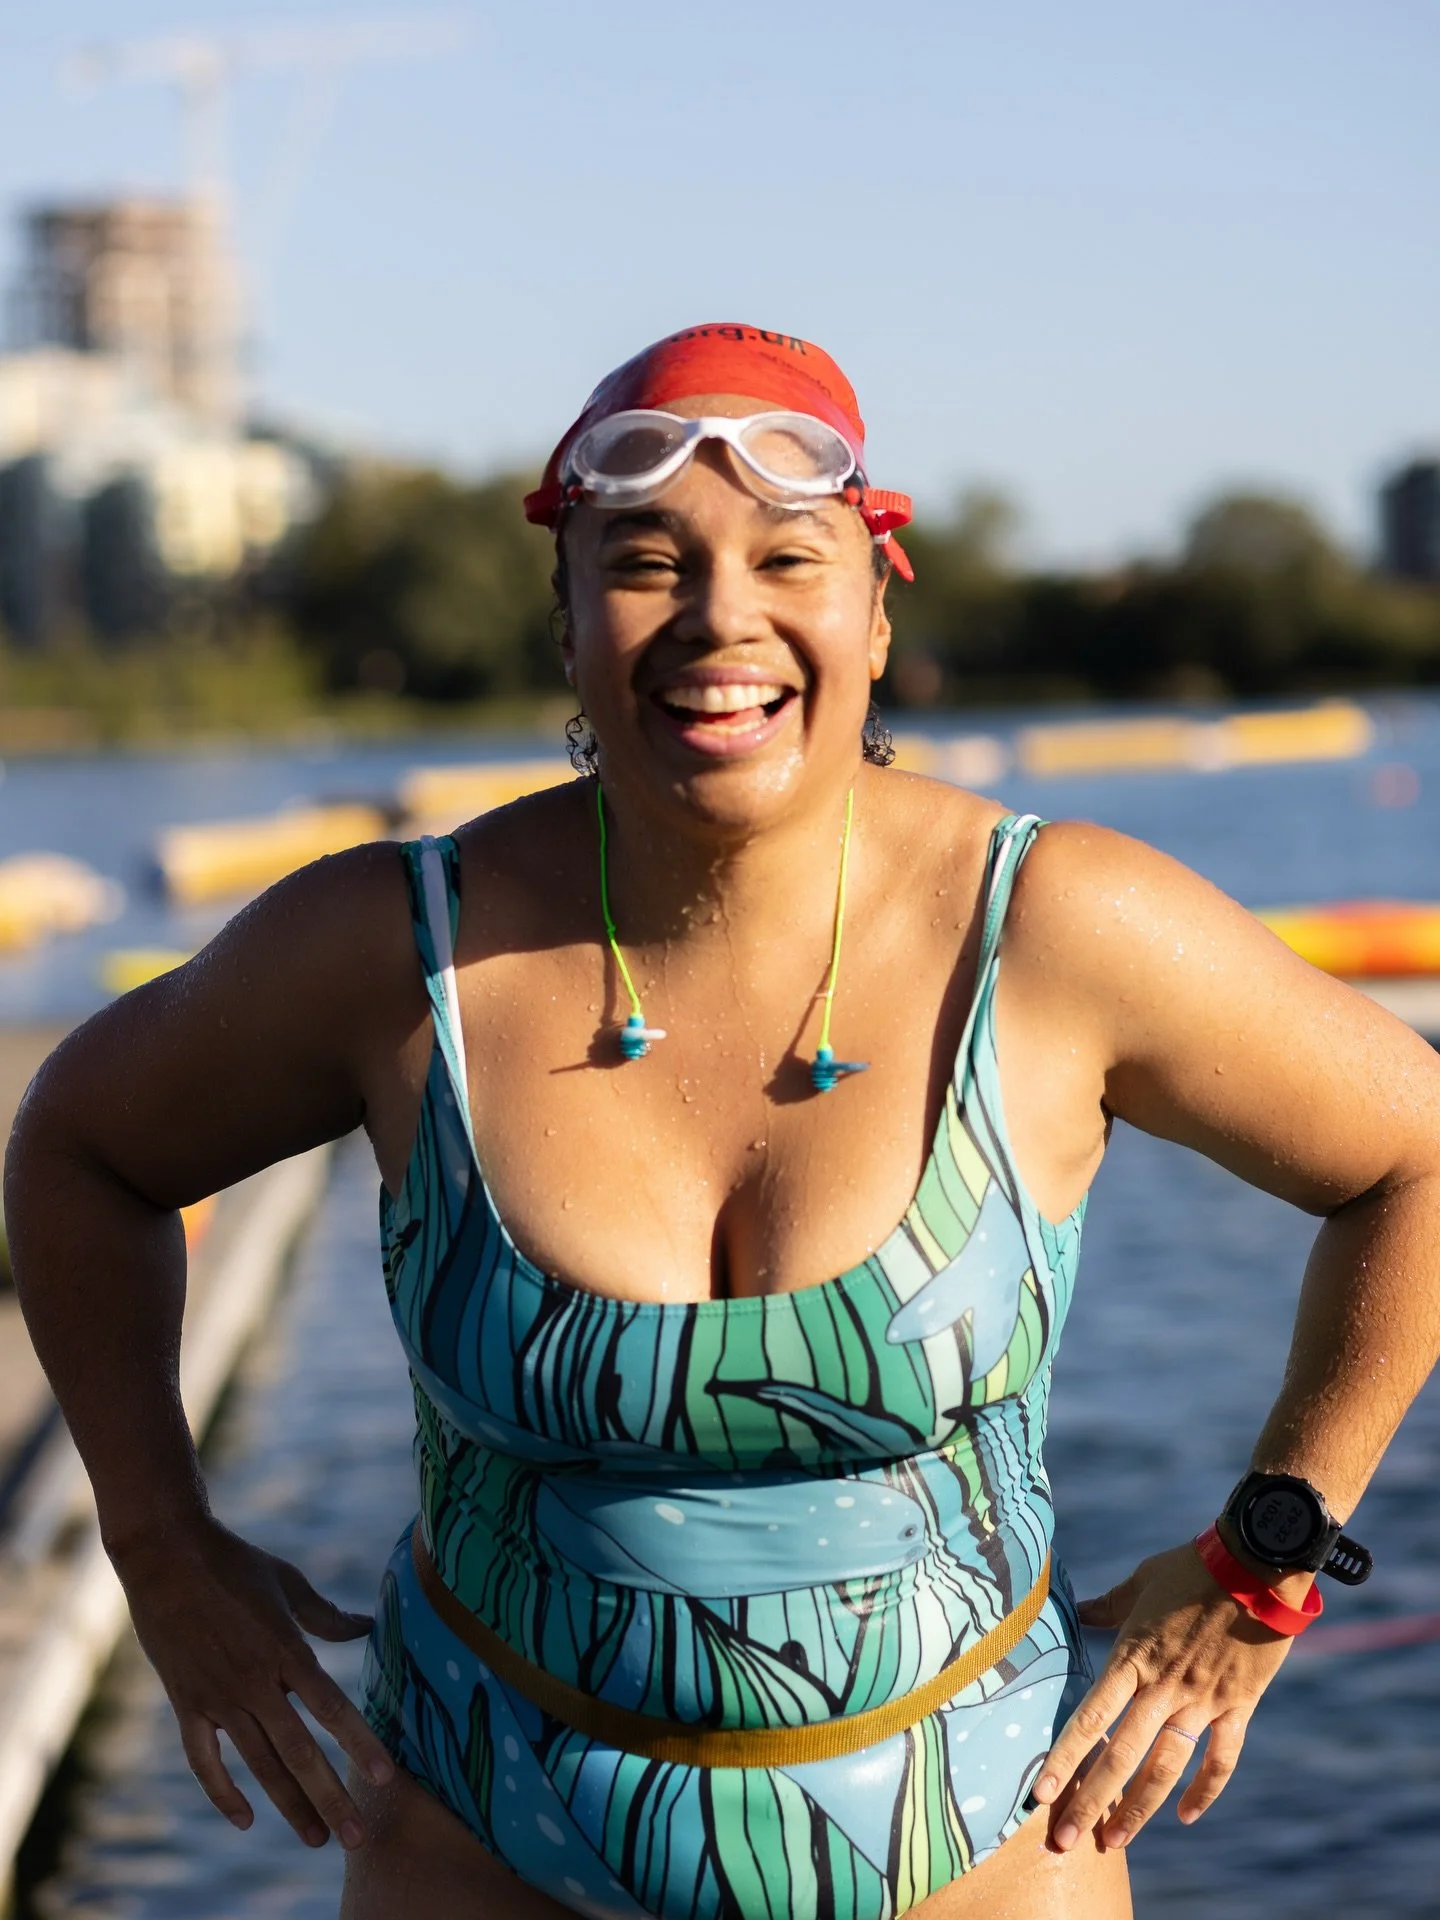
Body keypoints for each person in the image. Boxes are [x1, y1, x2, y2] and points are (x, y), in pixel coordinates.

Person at [6, 322, 1440, 1920]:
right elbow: (80, 1149)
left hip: (980, 1842)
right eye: (643, 563)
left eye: (787, 556)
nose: (720, 616)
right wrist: (158, 1544)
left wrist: (1266, 1557)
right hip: (486, 1842)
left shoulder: (1052, 932)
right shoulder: (400, 953)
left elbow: (1418, 1156)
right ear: (565, 623)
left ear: (878, 612)